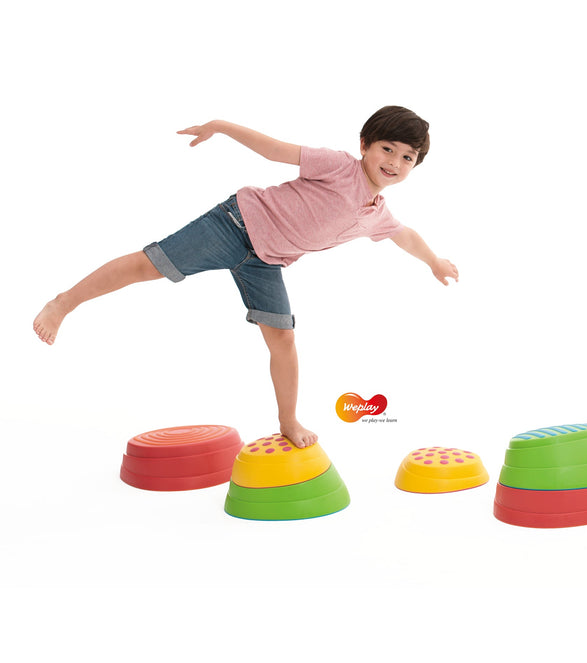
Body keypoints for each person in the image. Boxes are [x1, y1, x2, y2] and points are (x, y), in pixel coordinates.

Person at [33, 106, 459, 448]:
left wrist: (434, 261)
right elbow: (274, 150)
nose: (395, 162)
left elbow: (404, 235)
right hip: (233, 226)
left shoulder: (376, 214)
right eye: (387, 149)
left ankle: (288, 421)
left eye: (408, 157)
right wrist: (221, 126)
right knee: (149, 265)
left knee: (284, 338)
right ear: (364, 145)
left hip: (265, 263)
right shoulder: (338, 166)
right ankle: (63, 302)